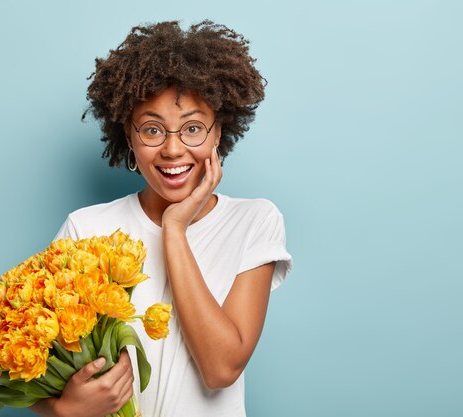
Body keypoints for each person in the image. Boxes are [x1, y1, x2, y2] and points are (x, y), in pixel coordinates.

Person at [31, 20, 292, 417]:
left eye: (192, 128)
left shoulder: (254, 221)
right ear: (130, 137)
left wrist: (174, 228)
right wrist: (64, 410)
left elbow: (221, 369)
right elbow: (26, 366)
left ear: (218, 133)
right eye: (152, 129)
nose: (173, 149)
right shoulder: (85, 228)